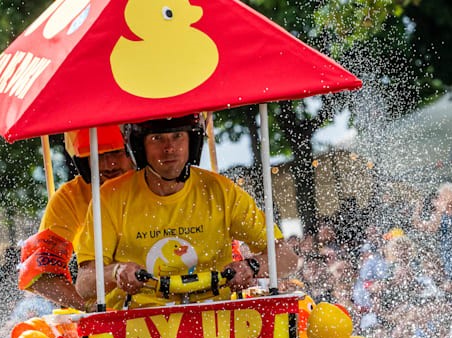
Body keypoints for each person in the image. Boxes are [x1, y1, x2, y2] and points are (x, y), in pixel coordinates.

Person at [74, 114, 297, 310]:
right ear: (139, 147)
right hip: (135, 328)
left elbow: (286, 258)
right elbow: (84, 284)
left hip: (217, 321)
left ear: (193, 141)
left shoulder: (222, 191)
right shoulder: (109, 198)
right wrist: (116, 272)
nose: (169, 148)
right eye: (157, 138)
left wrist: (253, 266)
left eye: (178, 136)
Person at [18, 125, 133, 310]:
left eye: (118, 153)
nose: (110, 164)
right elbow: (39, 274)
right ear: (82, 160)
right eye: (98, 155)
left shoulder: (158, 183)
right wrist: (89, 308)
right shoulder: (70, 198)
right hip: (105, 311)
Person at [411, 182, 452, 283]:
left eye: (445, 194)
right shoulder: (438, 214)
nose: (442, 197)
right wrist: (418, 210)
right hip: (448, 250)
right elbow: (431, 228)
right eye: (442, 195)